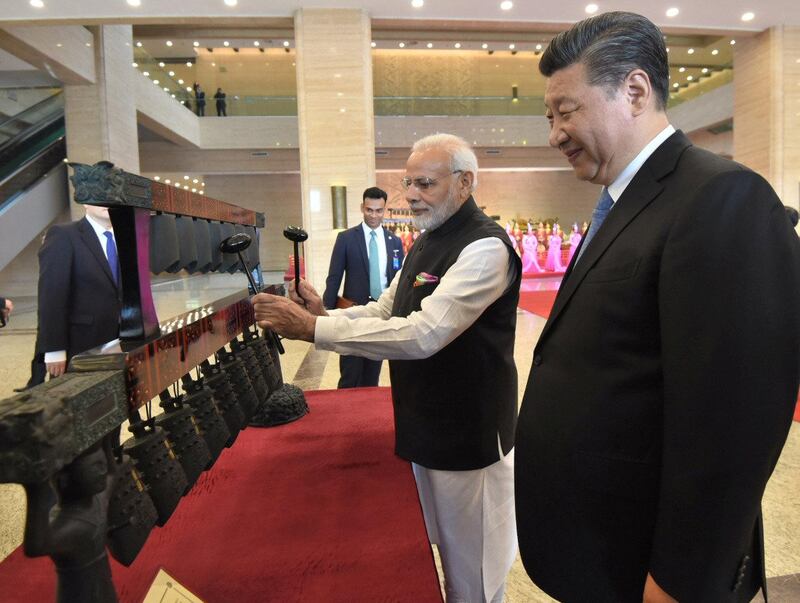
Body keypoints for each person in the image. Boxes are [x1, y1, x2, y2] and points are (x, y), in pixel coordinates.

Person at [514, 11, 800, 603]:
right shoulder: (623, 204)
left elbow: (732, 426)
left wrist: (678, 583)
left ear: (635, 91)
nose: (554, 134)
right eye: (549, 117)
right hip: (598, 549)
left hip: (649, 569)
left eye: (566, 111)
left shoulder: (721, 198)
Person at [253, 133, 521, 603]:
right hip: (425, 426)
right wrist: (321, 316)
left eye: (425, 183)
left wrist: (313, 332)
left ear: (464, 183)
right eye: (407, 183)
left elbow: (423, 334)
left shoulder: (486, 249)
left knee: (473, 577)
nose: (411, 195)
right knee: (440, 557)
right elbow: (383, 312)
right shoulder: (425, 242)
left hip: (468, 437)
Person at [322, 186, 404, 388]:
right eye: (369, 210)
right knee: (350, 374)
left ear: (384, 210)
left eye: (379, 210)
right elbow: (334, 278)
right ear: (362, 207)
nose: (374, 215)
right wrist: (324, 315)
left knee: (371, 376)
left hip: (380, 316)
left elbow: (399, 280)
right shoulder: (347, 239)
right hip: (353, 313)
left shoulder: (394, 242)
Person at [37, 205, 122, 378]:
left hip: (121, 343)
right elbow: (51, 295)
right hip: (81, 345)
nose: (105, 202)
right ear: (85, 202)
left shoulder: (125, 237)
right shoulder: (64, 235)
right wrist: (55, 349)